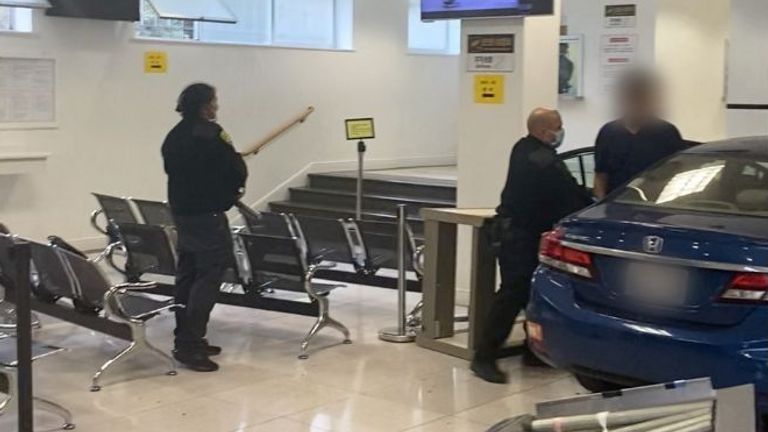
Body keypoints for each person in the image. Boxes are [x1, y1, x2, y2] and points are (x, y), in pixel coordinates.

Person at [471, 108, 592, 384]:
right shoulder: (542, 160)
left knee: (531, 295)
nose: (561, 131)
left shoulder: (523, 148)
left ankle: (533, 352)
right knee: (513, 294)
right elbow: (569, 195)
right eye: (558, 126)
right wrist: (595, 206)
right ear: (542, 130)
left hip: (519, 233)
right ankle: (484, 356)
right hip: (519, 238)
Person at [162, 83, 248, 372]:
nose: (217, 107)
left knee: (187, 276)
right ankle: (190, 344)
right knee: (207, 279)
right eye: (214, 101)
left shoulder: (174, 136)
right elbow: (235, 168)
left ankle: (185, 337)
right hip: (208, 217)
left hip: (183, 214)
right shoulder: (212, 134)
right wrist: (233, 186)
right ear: (204, 106)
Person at [594, 70, 687, 199]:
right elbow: (601, 176)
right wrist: (600, 205)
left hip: (655, 205)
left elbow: (677, 174)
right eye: (632, 99)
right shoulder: (608, 132)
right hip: (616, 205)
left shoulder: (667, 133)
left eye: (642, 99)